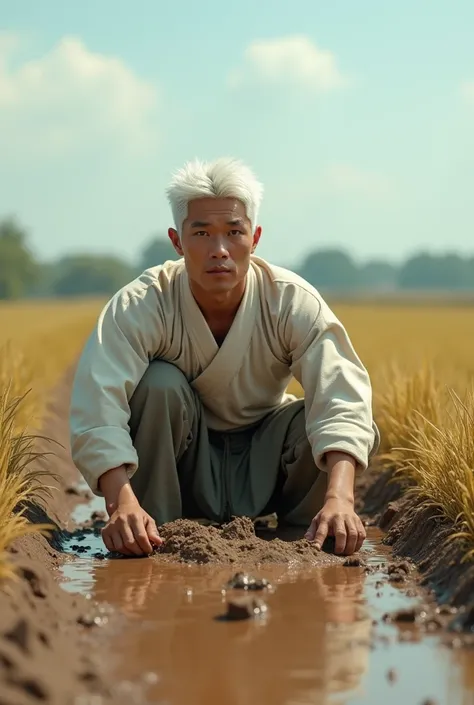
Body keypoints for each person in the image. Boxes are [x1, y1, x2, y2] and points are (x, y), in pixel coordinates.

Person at [69, 157, 380, 558]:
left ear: (255, 237)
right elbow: (98, 407)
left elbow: (343, 398)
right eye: (201, 233)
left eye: (234, 232)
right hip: (179, 465)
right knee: (159, 384)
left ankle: (307, 532)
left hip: (265, 462)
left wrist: (342, 498)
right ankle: (152, 527)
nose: (219, 250)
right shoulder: (141, 304)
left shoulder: (289, 301)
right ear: (177, 241)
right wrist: (120, 502)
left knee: (320, 419)